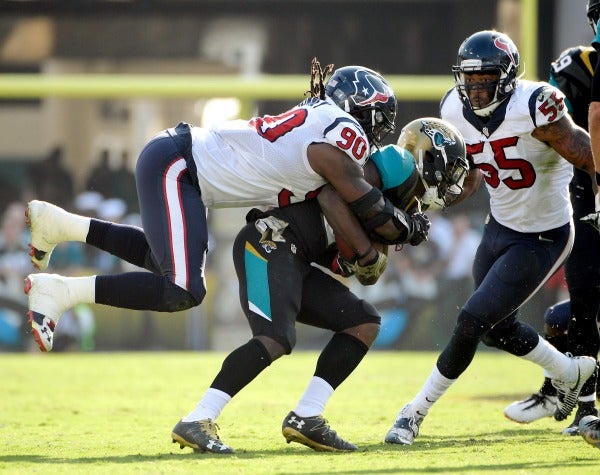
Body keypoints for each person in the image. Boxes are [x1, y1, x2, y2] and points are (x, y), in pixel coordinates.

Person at [24, 59, 431, 353]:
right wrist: (407, 228)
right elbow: (366, 202)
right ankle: (60, 291)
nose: (376, 134)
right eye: (378, 120)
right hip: (179, 165)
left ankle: (59, 224)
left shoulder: (320, 120)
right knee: (183, 287)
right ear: (360, 110)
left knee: (165, 262)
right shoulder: (340, 134)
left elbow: (335, 200)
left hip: (183, 168)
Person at [170, 118, 469, 454]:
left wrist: (381, 239)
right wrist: (389, 233)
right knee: (275, 338)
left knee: (362, 322)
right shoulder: (395, 163)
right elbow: (331, 196)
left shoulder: (398, 201)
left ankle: (307, 416)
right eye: (451, 172)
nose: (449, 185)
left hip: (293, 254)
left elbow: (362, 266)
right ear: (432, 156)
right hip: (270, 241)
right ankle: (198, 417)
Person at [384, 29, 598, 447]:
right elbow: (473, 175)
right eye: (469, 79)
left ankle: (413, 413)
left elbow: (586, 152)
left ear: (507, 76)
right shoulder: (452, 107)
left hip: (544, 233)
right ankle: (572, 372)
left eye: (485, 79)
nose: (475, 89)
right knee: (491, 327)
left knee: (469, 321)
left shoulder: (536, 105)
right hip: (498, 226)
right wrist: (430, 200)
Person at [503, 0, 600, 435]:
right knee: (576, 310)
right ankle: (579, 401)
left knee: (579, 309)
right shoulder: (581, 64)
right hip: (584, 188)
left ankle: (572, 395)